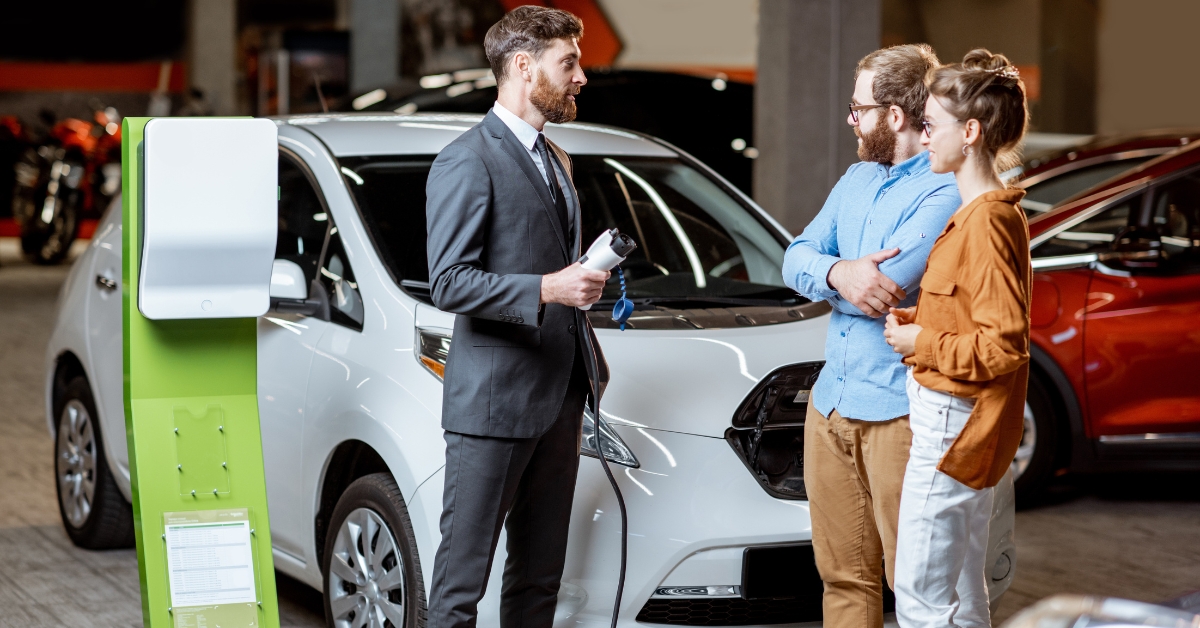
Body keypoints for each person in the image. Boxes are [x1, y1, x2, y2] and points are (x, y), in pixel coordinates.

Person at [423, 7, 610, 628]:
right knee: (460, 585)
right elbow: (449, 281)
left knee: (538, 580)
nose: (581, 76)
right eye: (569, 63)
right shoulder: (465, 160)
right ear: (524, 67)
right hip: (494, 405)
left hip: (560, 393)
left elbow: (540, 260)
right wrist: (550, 287)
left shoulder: (557, 159)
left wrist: (582, 279)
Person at [781, 44, 960, 628]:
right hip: (830, 404)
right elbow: (794, 258)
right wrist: (838, 272)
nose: (850, 120)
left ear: (895, 115)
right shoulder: (856, 178)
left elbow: (885, 288)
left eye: (858, 110)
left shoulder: (943, 191)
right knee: (842, 579)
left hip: (897, 412)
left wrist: (842, 275)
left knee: (910, 585)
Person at [884, 49, 1032, 628]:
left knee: (919, 592)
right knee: (964, 585)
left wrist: (921, 342)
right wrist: (922, 317)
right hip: (953, 418)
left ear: (969, 133)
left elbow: (1002, 347)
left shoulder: (989, 219)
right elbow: (974, 312)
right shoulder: (981, 214)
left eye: (932, 126)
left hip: (951, 421)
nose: (924, 139)